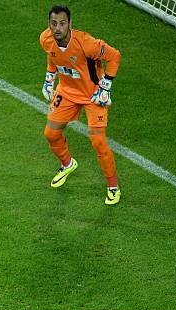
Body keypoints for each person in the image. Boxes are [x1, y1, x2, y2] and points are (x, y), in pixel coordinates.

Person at [40, 5, 122, 205]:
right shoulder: (46, 39)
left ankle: (113, 187)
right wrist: (49, 79)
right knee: (51, 134)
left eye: (62, 23)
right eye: (53, 24)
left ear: (70, 24)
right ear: (49, 24)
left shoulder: (86, 43)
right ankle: (67, 164)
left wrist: (106, 87)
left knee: (98, 141)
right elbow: (53, 57)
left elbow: (114, 56)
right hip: (66, 92)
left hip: (93, 95)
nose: (57, 28)